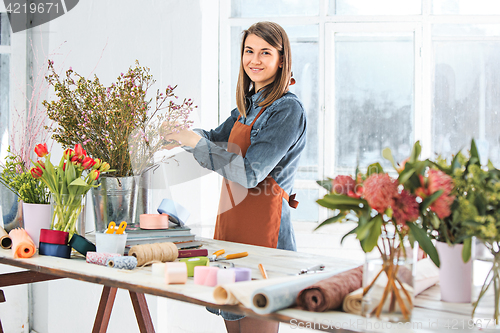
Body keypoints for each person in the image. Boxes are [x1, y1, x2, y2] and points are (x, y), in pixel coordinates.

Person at [162, 21, 307, 333]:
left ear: (281, 59)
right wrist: (180, 135)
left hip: (264, 237)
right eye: (249, 51)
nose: (254, 60)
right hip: (232, 228)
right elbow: (215, 138)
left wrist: (193, 142)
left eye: (265, 52)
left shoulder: (286, 110)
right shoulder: (248, 107)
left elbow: (250, 173)